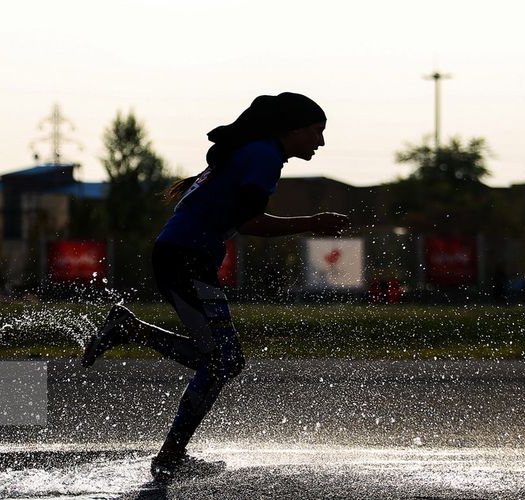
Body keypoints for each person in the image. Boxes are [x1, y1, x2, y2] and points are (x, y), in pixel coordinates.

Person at [82, 92, 350, 482]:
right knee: (223, 361)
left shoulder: (255, 151)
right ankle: (169, 456)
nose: (320, 142)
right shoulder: (264, 156)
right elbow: (249, 223)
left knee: (223, 361)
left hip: (183, 257)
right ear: (291, 129)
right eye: (316, 132)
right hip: (184, 259)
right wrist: (313, 221)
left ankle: (131, 333)